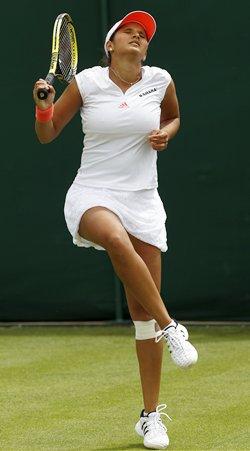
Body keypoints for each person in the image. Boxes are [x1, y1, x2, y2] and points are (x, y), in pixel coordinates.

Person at [33, 10, 198, 450]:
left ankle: (149, 417)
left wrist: (167, 131)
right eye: (129, 31)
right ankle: (172, 325)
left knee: (140, 316)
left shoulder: (161, 79)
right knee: (113, 236)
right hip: (93, 193)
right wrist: (44, 106)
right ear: (110, 44)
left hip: (143, 198)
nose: (138, 37)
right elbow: (47, 134)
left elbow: (174, 116)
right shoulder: (86, 82)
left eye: (143, 35)